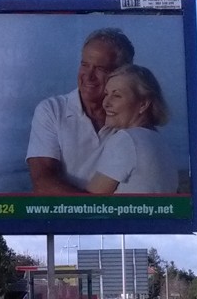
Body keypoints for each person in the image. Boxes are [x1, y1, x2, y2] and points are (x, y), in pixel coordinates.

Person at [26, 28, 134, 194]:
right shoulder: (52, 110)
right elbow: (43, 182)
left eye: (100, 68)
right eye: (84, 65)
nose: (88, 75)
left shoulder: (132, 117)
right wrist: (94, 210)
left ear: (122, 73)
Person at [86, 65, 178, 194]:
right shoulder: (161, 144)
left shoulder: (127, 139)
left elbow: (88, 204)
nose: (106, 102)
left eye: (117, 96)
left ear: (143, 104)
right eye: (106, 94)